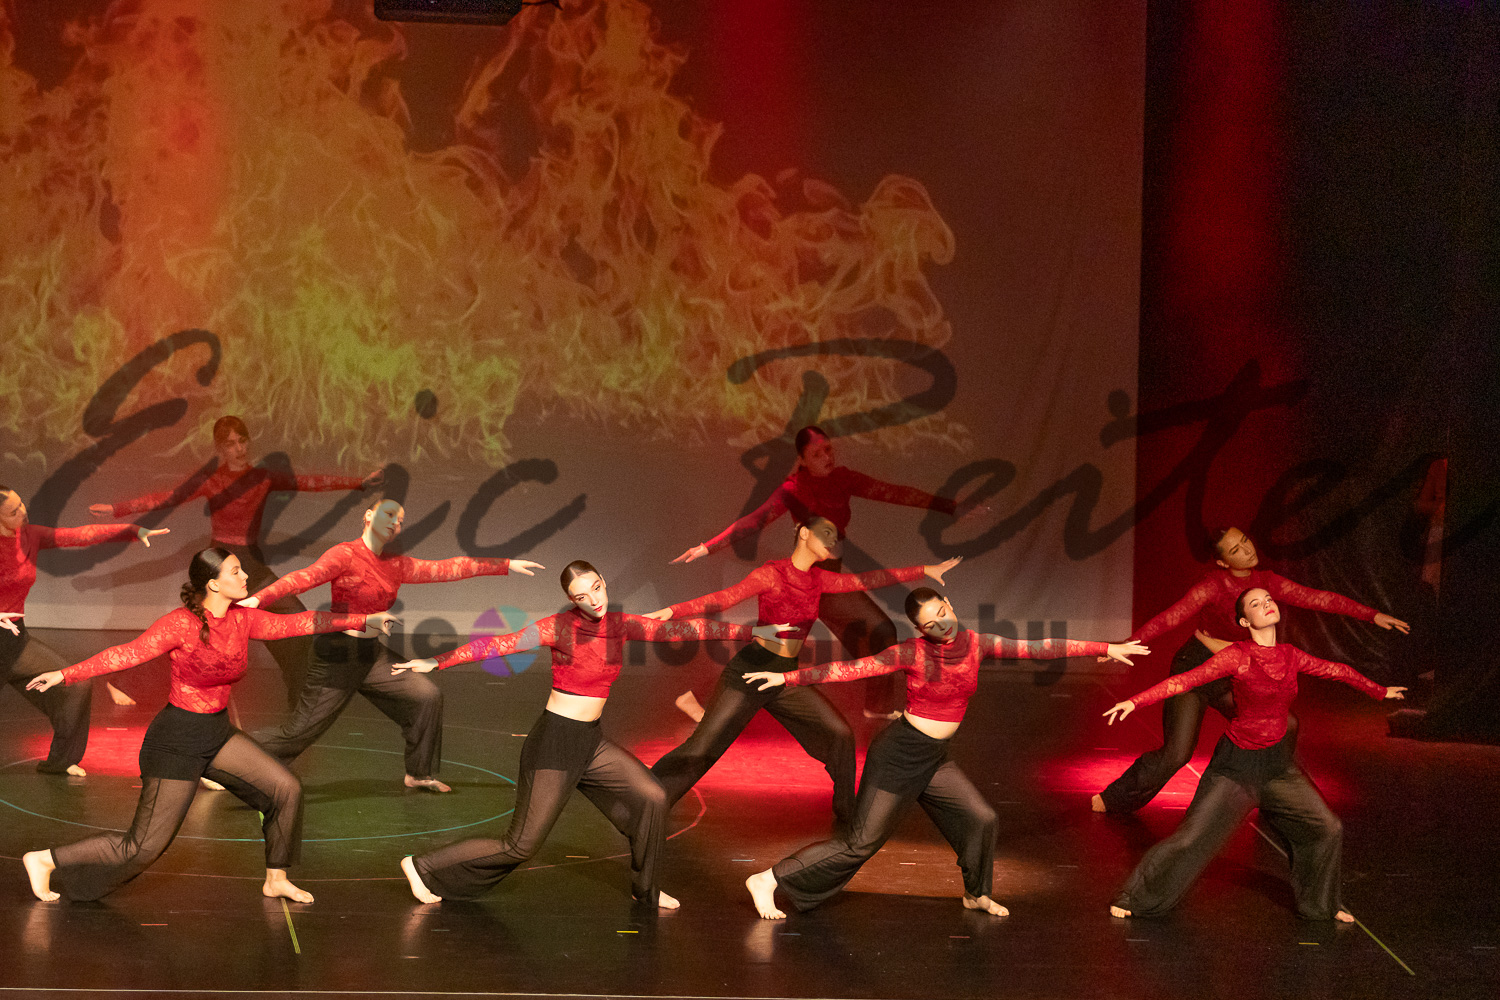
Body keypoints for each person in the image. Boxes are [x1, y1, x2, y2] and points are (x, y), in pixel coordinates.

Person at [390, 561, 792, 907]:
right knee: (521, 845)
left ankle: (646, 891)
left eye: (596, 588)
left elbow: (680, 631)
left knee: (652, 797)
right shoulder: (559, 628)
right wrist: (437, 662)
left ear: (603, 582)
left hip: (590, 740)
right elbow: (500, 645)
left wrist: (751, 633)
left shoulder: (620, 625)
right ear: (571, 599)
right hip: (555, 743)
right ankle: (423, 866)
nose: (593, 600)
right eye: (581, 596)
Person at [740, 587, 1147, 919]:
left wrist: (1105, 648)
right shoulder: (911, 653)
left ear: (949, 603)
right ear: (919, 629)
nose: (942, 624)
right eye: (930, 623)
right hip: (899, 755)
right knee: (860, 844)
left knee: (981, 819)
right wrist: (787, 678)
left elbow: (1038, 647)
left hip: (934, 756)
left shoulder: (977, 644)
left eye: (942, 612)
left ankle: (976, 894)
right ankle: (768, 879)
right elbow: (852, 669)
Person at [20, 547, 396, 903]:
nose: (245, 576)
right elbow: (125, 654)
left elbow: (301, 622)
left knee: (286, 789)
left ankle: (276, 879)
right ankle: (45, 859)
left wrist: (363, 620)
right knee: (143, 846)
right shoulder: (180, 625)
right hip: (176, 740)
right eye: (236, 571)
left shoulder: (244, 619)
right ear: (214, 583)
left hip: (216, 732)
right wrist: (64, 674)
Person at [1102, 587, 1406, 921]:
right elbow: (1185, 681)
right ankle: (1134, 897)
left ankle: (1323, 905)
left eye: (1269, 600)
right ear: (1245, 621)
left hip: (1278, 768)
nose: (1267, 605)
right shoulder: (1237, 656)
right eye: (1256, 604)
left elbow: (1338, 670)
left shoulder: (1291, 655)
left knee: (1326, 828)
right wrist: (1135, 701)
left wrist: (1380, 692)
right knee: (1191, 839)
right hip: (1236, 768)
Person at [650, 516, 959, 832]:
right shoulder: (772, 574)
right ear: (803, 533)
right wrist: (674, 611)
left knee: (839, 734)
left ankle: (848, 813)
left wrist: (924, 570)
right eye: (826, 533)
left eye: (835, 536)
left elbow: (867, 580)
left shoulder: (819, 580)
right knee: (703, 748)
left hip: (785, 676)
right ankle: (648, 797)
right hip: (751, 671)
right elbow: (725, 598)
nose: (832, 540)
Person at [1093, 526, 1409, 814]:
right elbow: (1171, 617)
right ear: (1222, 562)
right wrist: (1126, 644)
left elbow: (1318, 599)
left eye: (1245, 541)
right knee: (1177, 754)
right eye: (1236, 550)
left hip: (1234, 671)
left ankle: (1278, 795)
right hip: (1197, 669)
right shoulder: (1213, 586)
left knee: (1285, 723)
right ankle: (1114, 798)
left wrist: (1372, 615)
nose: (1247, 550)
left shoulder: (1266, 583)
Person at [240, 496, 542, 792]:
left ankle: (419, 774)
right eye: (388, 515)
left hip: (372, 655)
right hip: (338, 655)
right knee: (299, 733)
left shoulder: (396, 564)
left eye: (399, 521)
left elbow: (451, 567)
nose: (395, 523)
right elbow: (302, 579)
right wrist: (259, 598)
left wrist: (505, 564)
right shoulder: (345, 554)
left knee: (426, 697)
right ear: (368, 516)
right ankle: (229, 760)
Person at [673, 425, 968, 720]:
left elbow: (894, 493)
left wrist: (950, 506)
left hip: (829, 580)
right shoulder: (793, 489)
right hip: (802, 583)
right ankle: (697, 699)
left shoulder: (843, 479)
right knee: (771, 652)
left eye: (828, 450)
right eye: (817, 454)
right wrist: (707, 547)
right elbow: (754, 521)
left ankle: (876, 709)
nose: (827, 457)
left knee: (878, 633)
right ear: (802, 459)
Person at [90, 415, 381, 703]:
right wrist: (117, 509)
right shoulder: (212, 481)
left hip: (251, 567)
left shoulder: (263, 477)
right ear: (220, 448)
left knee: (296, 627)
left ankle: (298, 694)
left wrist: (359, 482)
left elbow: (311, 482)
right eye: (230, 444)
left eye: (242, 441)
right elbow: (168, 498)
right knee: (190, 634)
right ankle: (121, 681)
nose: (239, 449)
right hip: (220, 570)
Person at [0, 485, 169, 775]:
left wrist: (131, 530)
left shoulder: (29, 536)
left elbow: (81, 535)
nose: (23, 512)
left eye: (21, 505)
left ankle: (62, 761)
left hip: (15, 640)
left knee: (75, 686)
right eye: (13, 511)